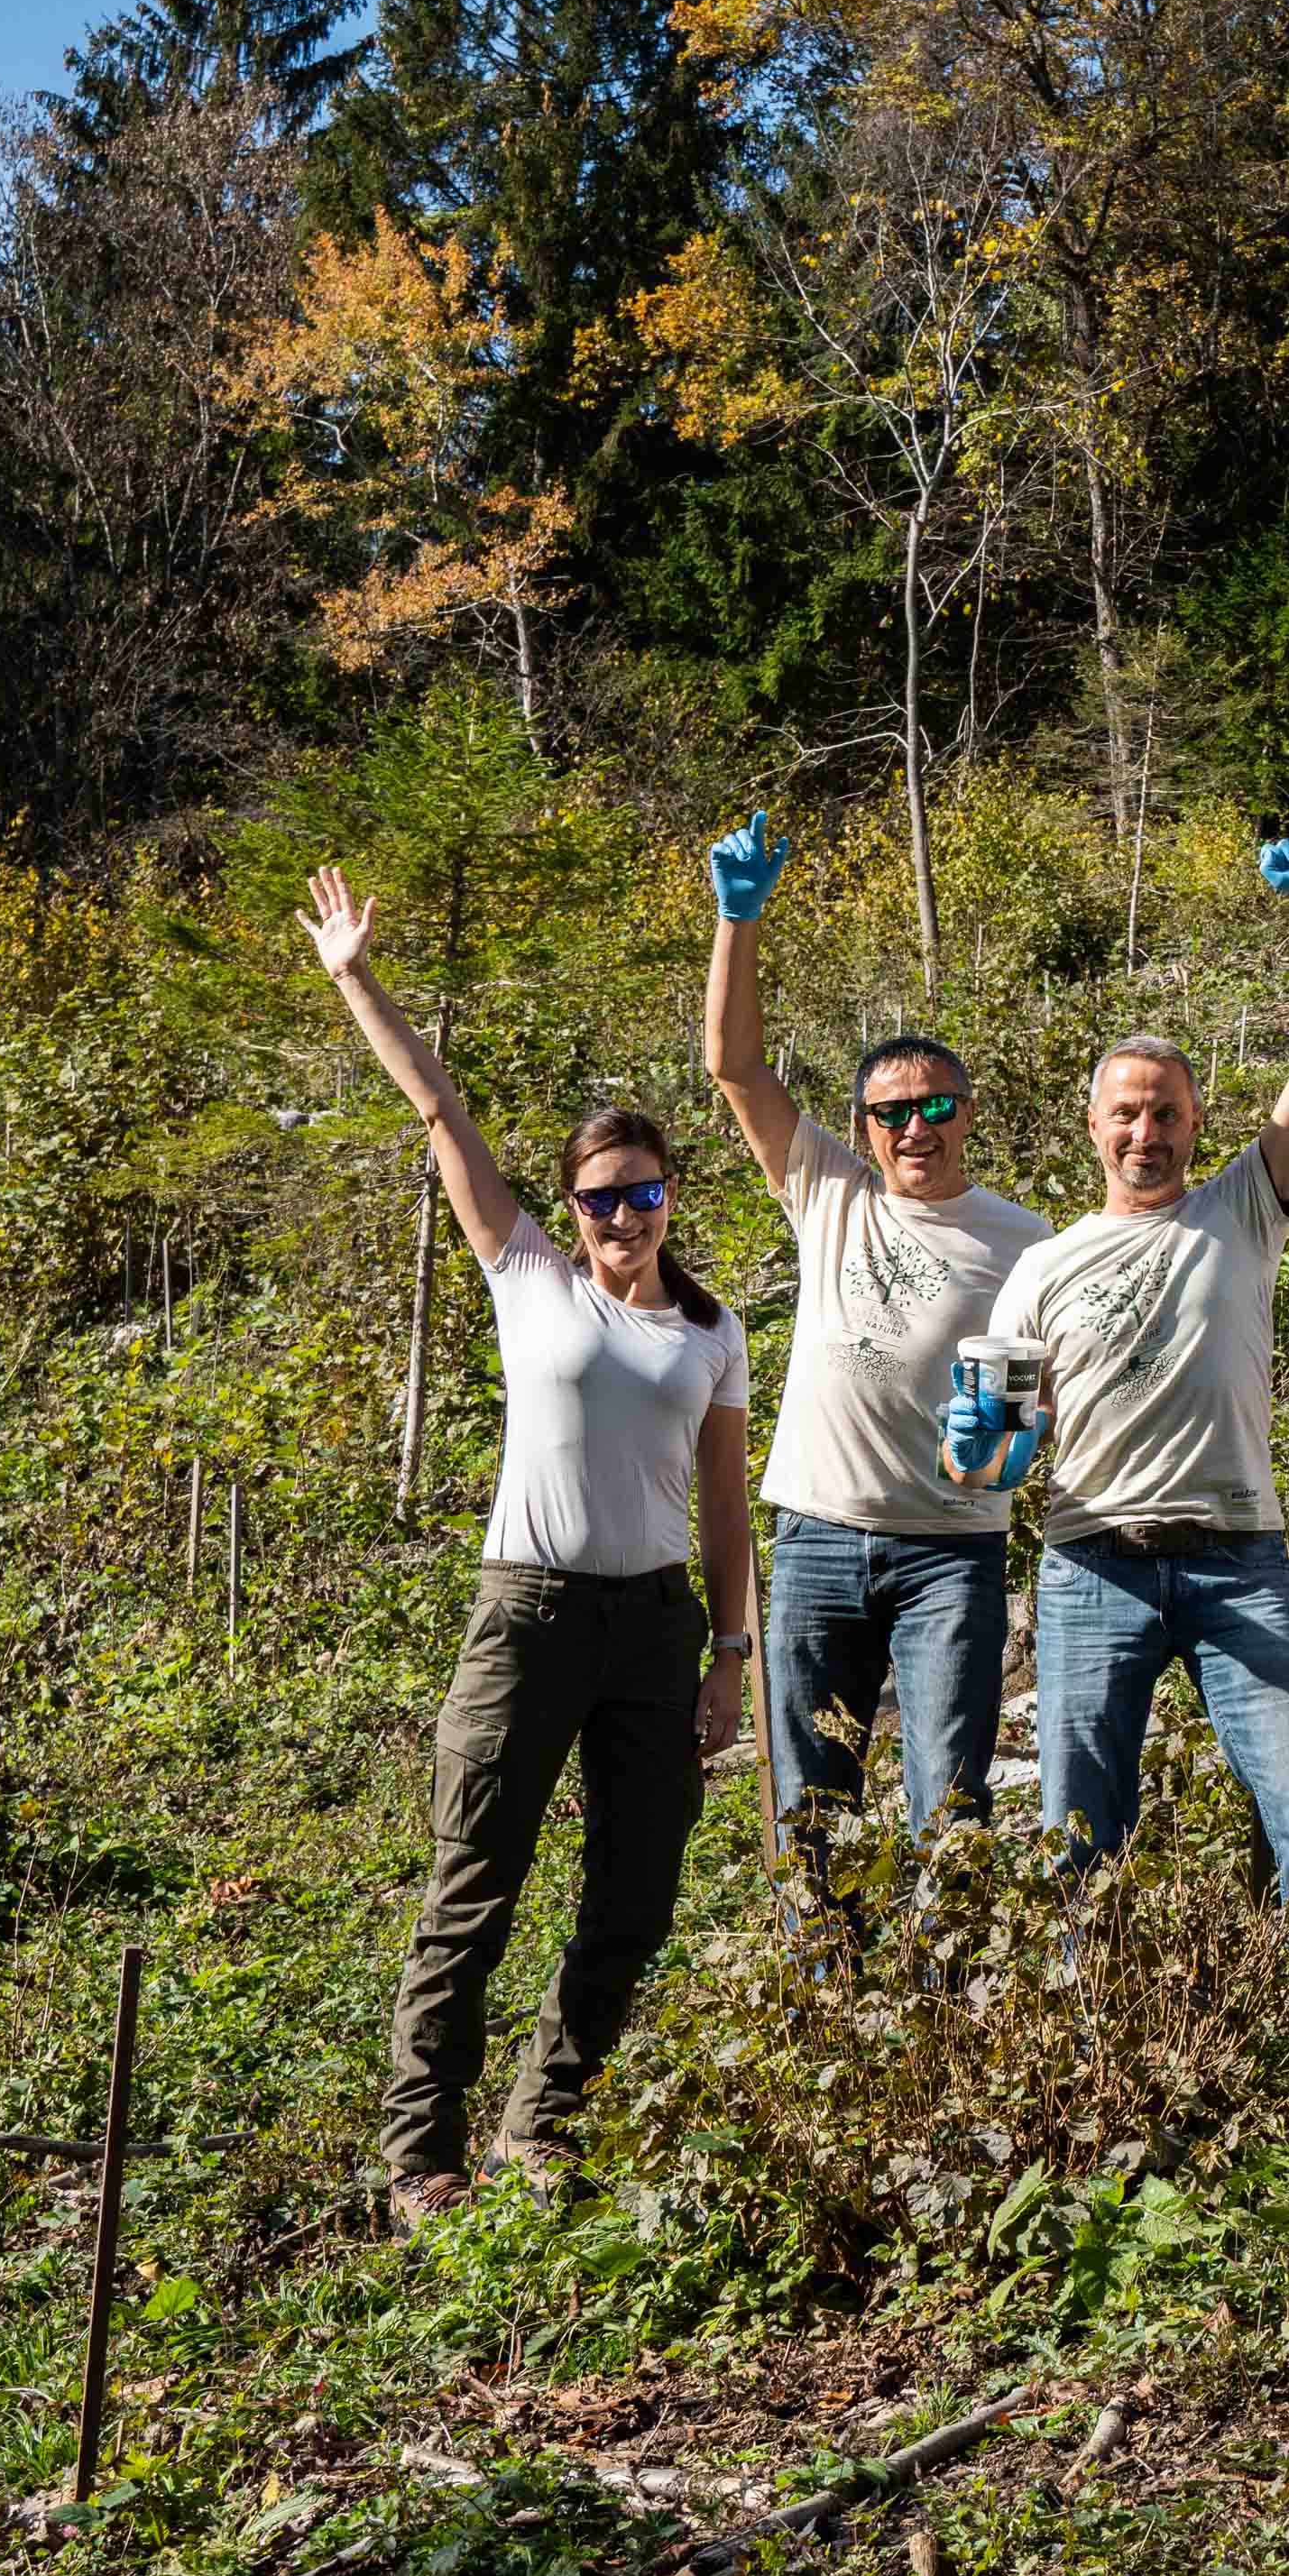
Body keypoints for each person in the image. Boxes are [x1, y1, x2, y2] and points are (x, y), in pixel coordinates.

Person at [303, 866, 757, 2219]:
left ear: (676, 1194)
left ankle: (540, 2123)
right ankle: (418, 2157)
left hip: (656, 1625)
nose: (625, 1217)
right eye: (602, 1199)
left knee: (635, 1892)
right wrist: (354, 976)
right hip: (533, 1615)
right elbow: (439, 1109)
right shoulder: (528, 1281)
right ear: (569, 1213)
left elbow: (727, 1504)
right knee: (475, 1882)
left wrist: (729, 1655)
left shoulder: (713, 1331)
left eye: (645, 1193)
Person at [974, 836, 1289, 2028]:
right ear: (1091, 1124)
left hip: (1236, 1557)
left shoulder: (1242, 1209)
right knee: (1078, 1832)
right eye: (1125, 1112)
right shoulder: (1040, 1271)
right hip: (1091, 1560)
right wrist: (985, 1456)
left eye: (1165, 1111)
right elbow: (997, 1444)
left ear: (1195, 1119)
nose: (1145, 1131)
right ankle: (1090, 2048)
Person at [696, 810, 1047, 1835]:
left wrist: (1011, 1449)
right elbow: (736, 1067)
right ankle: (824, 1990)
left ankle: (943, 1987)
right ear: (862, 1130)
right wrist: (737, 919)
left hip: (954, 1548)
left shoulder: (1026, 1240)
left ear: (968, 1113)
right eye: (891, 1113)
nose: (914, 1127)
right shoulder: (828, 1191)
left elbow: (1042, 1402)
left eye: (936, 1106)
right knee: (812, 1801)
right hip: (816, 1535)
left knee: (953, 1798)